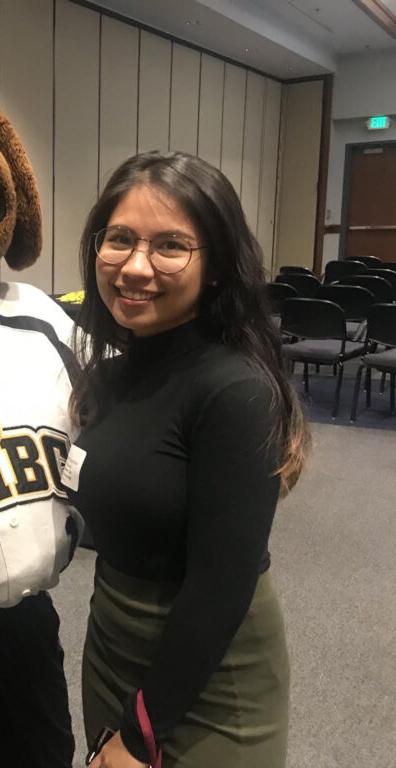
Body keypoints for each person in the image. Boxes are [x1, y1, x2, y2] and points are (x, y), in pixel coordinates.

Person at [68, 151, 310, 768]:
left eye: (171, 246)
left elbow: (220, 589)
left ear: (219, 266)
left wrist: (140, 735)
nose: (136, 266)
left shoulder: (235, 390)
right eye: (119, 239)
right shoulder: (106, 377)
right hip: (111, 642)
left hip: (210, 669)